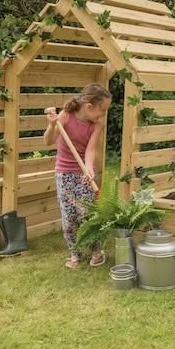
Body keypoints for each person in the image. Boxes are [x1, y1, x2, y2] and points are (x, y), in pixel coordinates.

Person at [44, 83, 112, 269]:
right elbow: (48, 141)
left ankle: (96, 251)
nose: (103, 114)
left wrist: (88, 168)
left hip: (85, 174)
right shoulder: (65, 116)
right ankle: (74, 253)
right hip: (64, 173)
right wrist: (52, 124)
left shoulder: (97, 124)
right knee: (69, 216)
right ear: (89, 106)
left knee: (87, 213)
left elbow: (90, 150)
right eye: (102, 110)